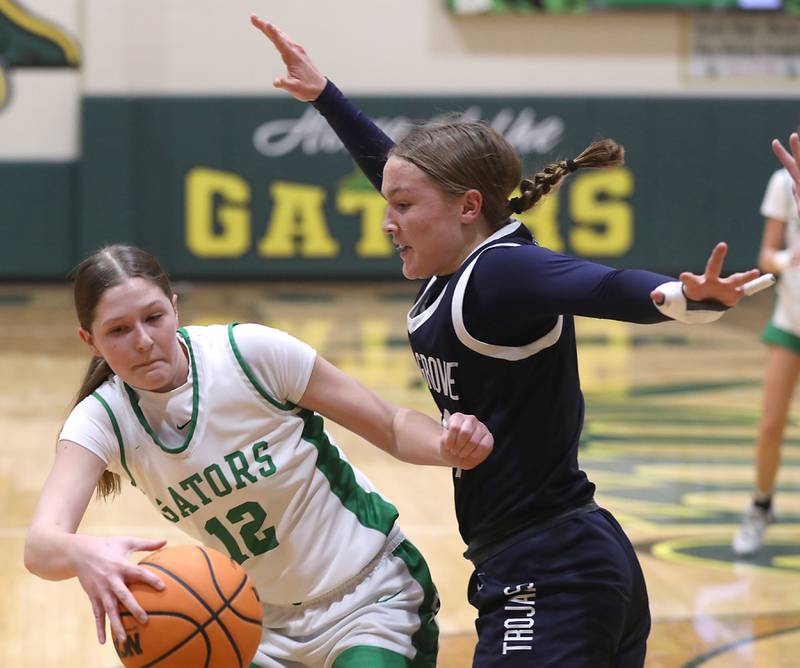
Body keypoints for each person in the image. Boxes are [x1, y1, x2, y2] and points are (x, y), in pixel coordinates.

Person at [253, 15, 765, 666]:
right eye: (389, 204)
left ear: (468, 206)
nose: (388, 222)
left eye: (403, 208)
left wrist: (682, 299)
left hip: (550, 571)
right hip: (563, 553)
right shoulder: (462, 261)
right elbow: (394, 168)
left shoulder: (499, 271)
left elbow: (602, 287)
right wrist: (327, 96)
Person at [24, 244, 495, 668]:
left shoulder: (248, 354)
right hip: (255, 624)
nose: (143, 340)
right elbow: (41, 546)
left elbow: (389, 425)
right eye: (119, 330)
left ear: (174, 306)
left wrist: (447, 445)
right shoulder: (102, 418)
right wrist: (83, 554)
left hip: (370, 595)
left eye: (153, 318)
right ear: (90, 341)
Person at [733, 131, 800, 557]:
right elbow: (766, 255)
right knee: (770, 427)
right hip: (790, 320)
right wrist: (785, 260)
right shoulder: (782, 181)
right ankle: (761, 506)